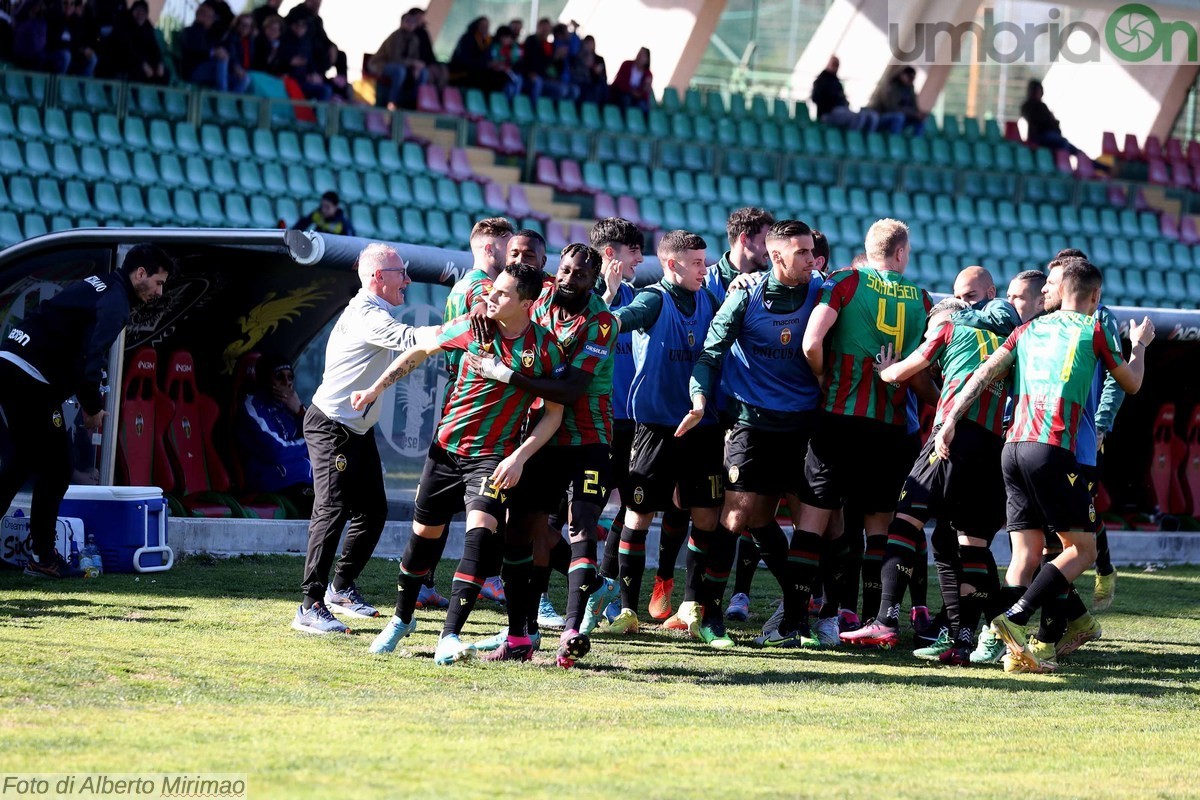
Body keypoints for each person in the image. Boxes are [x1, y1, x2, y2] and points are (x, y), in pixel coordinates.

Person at [935, 259, 1154, 674]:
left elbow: (982, 375)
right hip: (1052, 449)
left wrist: (949, 422)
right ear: (1095, 296)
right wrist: (1139, 344)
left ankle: (1012, 649)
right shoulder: (1092, 329)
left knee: (1028, 551)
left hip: (1012, 448)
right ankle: (1014, 621)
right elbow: (1131, 383)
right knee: (1082, 549)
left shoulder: (1027, 328)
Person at [357, 261, 566, 666]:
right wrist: (373, 389)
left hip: (491, 457)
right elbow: (420, 350)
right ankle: (402, 620)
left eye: (503, 294)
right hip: (445, 450)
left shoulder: (544, 348)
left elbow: (554, 413)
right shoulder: (474, 328)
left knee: (480, 535)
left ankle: (449, 636)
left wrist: (520, 457)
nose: (491, 298)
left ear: (528, 303)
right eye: (492, 290)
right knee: (422, 539)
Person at [844, 289, 1021, 660]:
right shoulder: (1009, 344)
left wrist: (885, 370)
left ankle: (886, 618)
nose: (927, 336)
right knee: (972, 544)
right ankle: (963, 643)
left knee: (905, 522)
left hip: (950, 436)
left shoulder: (949, 330)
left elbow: (901, 372)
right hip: (991, 446)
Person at [470, 242, 617, 667]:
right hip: (540, 437)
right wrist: (484, 307)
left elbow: (571, 391)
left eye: (581, 275)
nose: (571, 279)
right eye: (567, 270)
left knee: (582, 523)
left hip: (588, 438)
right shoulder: (542, 296)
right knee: (521, 532)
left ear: (595, 281)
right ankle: (521, 634)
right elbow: (501, 294)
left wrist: (507, 375)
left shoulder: (602, 324)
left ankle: (571, 631)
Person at [680, 220, 826, 647]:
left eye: (811, 252)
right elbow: (710, 352)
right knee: (740, 517)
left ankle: (798, 618)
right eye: (801, 252)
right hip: (752, 423)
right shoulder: (746, 294)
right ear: (776, 255)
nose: (810, 260)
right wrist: (700, 398)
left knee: (805, 524)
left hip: (805, 425)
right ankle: (708, 615)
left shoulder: (824, 291)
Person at [796, 219, 934, 646]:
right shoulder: (921, 298)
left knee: (815, 520)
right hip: (891, 428)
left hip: (838, 419)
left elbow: (810, 342)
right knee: (881, 526)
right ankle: (879, 621)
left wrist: (824, 378)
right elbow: (919, 378)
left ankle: (798, 620)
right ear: (901, 253)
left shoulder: (844, 281)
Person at [0, 244, 173, 579]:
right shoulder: (116, 302)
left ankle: (42, 555)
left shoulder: (102, 284)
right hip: (28, 375)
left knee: (22, 464)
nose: (159, 292)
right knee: (56, 466)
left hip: (12, 363)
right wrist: (93, 410)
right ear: (140, 274)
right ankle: (43, 557)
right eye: (158, 282)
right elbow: (89, 363)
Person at [291, 243, 430, 635]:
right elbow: (411, 340)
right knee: (332, 508)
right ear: (376, 278)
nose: (407, 280)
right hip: (332, 425)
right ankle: (309, 605)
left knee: (373, 510)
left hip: (356, 429)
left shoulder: (376, 310)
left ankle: (340, 588)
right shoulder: (368, 314)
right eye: (400, 273)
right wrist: (457, 328)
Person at [612, 230, 728, 647]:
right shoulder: (653, 299)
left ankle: (691, 608)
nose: (704, 268)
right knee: (638, 515)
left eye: (704, 261)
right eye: (696, 262)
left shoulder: (710, 300)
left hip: (704, 428)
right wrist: (610, 309)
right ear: (671, 264)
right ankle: (627, 610)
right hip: (657, 428)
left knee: (706, 517)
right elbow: (622, 320)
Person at [700, 207, 774, 621]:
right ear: (745, 238)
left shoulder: (771, 283)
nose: (772, 250)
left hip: (747, 411)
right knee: (697, 506)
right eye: (766, 239)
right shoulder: (708, 281)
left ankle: (738, 596)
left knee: (746, 506)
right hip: (709, 409)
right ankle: (690, 598)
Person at [235, 353, 314, 517]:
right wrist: (309, 443)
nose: (287, 383)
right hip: (274, 482)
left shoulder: (291, 406)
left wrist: (299, 410)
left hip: (303, 480)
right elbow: (276, 451)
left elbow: (320, 436)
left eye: (290, 377)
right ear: (265, 379)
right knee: (321, 510)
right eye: (279, 377)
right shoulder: (252, 406)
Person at [181, 2, 249, 94]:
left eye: (213, 17)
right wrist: (213, 52)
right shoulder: (189, 31)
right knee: (221, 60)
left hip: (214, 70)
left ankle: (228, 103)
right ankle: (222, 95)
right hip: (194, 70)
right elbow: (195, 51)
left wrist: (235, 66)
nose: (212, 20)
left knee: (244, 79)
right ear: (200, 16)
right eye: (209, 17)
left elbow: (223, 49)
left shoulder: (212, 34)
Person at [368, 10, 427, 109]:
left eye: (413, 22)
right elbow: (394, 59)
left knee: (423, 72)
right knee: (399, 71)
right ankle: (392, 101)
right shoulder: (395, 37)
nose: (410, 24)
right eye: (407, 21)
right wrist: (412, 63)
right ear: (402, 22)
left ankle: (414, 102)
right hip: (382, 64)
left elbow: (415, 57)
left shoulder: (414, 39)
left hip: (403, 65)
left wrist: (417, 67)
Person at [811, 56, 879, 132]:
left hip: (841, 110)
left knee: (869, 117)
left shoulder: (837, 83)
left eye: (837, 64)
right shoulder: (820, 81)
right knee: (856, 117)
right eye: (833, 64)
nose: (835, 66)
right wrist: (831, 104)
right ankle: (851, 136)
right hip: (828, 113)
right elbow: (815, 98)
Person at [1021, 80, 1083, 156]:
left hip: (1050, 136)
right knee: (1063, 144)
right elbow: (1040, 121)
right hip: (1040, 137)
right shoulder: (1028, 106)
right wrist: (1051, 120)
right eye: (1038, 90)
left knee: (1071, 148)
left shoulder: (1042, 106)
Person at [448, 16, 508, 93]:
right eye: (482, 25)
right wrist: (486, 64)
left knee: (501, 76)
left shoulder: (488, 41)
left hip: (480, 70)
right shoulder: (468, 38)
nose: (485, 28)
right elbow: (464, 59)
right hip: (464, 71)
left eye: (487, 26)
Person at [113, 0, 165, 83]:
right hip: (126, 61)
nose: (141, 14)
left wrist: (159, 63)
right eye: (138, 11)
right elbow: (129, 48)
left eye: (143, 12)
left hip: (145, 62)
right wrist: (143, 64)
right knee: (139, 72)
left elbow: (154, 46)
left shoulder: (147, 25)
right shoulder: (123, 23)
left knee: (163, 73)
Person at [872, 66, 925, 135]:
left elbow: (914, 106)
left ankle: (916, 143)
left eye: (912, 79)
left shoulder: (910, 89)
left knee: (920, 120)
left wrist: (918, 114)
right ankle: (894, 140)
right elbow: (892, 108)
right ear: (902, 75)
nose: (910, 81)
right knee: (899, 117)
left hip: (904, 116)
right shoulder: (892, 87)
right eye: (909, 77)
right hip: (884, 116)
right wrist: (911, 113)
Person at [609, 47, 652, 112]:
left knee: (644, 106)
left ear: (647, 60)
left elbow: (645, 93)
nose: (640, 56)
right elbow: (619, 83)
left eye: (643, 55)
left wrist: (643, 91)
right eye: (640, 53)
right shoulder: (626, 65)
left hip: (638, 98)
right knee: (626, 100)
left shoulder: (648, 74)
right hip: (622, 93)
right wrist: (632, 91)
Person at [571, 35, 607, 106]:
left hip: (595, 82)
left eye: (591, 43)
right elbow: (576, 72)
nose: (589, 46)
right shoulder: (578, 57)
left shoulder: (599, 59)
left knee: (602, 88)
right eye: (588, 43)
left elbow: (604, 77)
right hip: (582, 82)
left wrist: (596, 72)